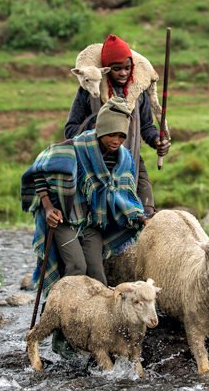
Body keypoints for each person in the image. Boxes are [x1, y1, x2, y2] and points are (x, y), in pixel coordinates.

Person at [21, 97, 147, 296]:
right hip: (64, 220)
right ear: (101, 131)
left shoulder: (122, 159)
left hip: (91, 223)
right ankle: (60, 310)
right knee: (77, 266)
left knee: (97, 273)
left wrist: (139, 216)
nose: (116, 141)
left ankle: (97, 318)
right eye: (111, 135)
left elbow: (123, 195)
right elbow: (39, 174)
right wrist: (48, 208)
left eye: (121, 136)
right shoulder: (72, 149)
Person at [64, 34, 170, 217]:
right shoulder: (89, 91)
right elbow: (70, 129)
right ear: (105, 70)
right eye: (117, 68)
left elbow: (146, 127)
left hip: (132, 162)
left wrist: (157, 141)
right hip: (95, 167)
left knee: (148, 213)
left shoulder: (139, 93)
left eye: (127, 68)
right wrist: (97, 132)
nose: (123, 73)